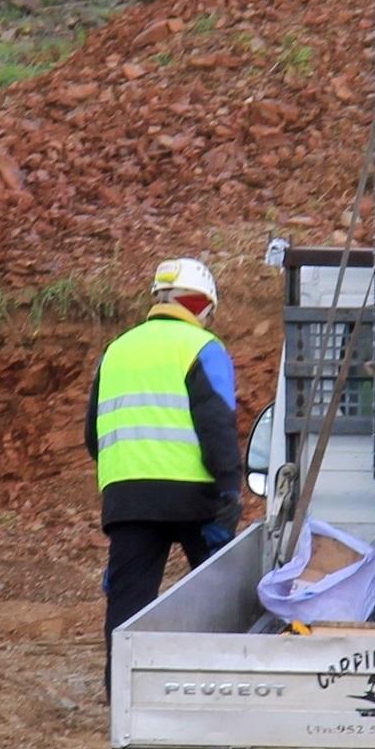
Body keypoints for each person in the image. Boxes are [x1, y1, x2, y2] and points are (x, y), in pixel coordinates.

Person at [89, 256, 242, 644]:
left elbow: (94, 435)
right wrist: (229, 490)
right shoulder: (203, 346)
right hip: (196, 499)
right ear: (201, 304)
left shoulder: (116, 351)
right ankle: (216, 686)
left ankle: (122, 698)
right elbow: (217, 426)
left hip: (128, 499)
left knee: (127, 609)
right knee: (220, 603)